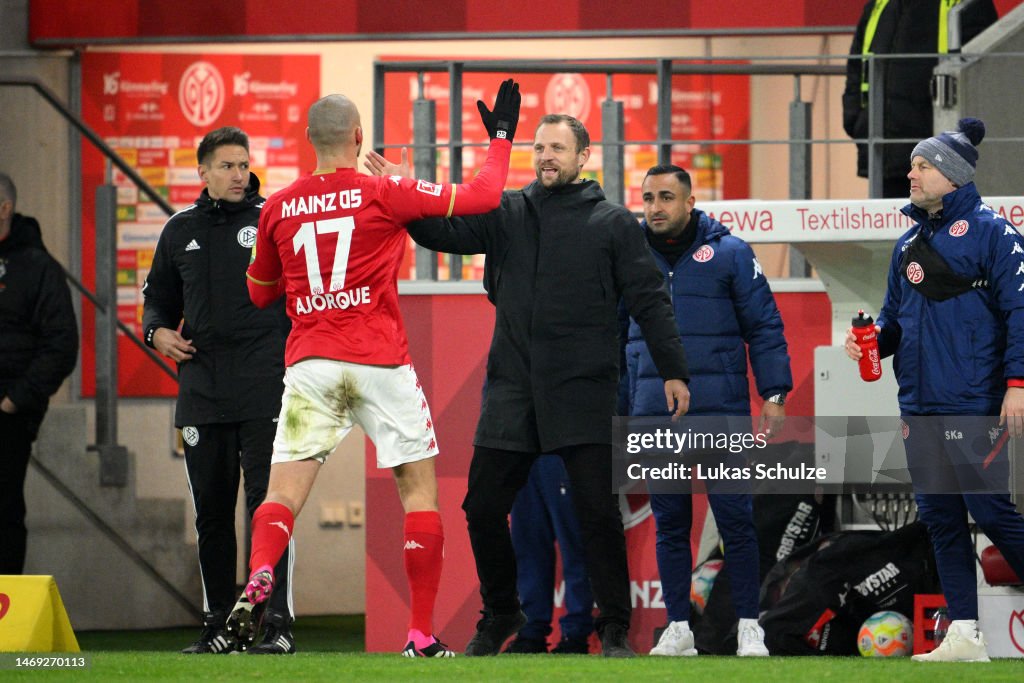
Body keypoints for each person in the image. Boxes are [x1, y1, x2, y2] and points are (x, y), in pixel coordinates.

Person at [373, 113, 691, 658]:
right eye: (539, 147)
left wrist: (673, 370)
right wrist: (402, 192)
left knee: (596, 514)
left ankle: (613, 628)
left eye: (558, 149)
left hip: (582, 389)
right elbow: (440, 232)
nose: (546, 156)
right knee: (480, 507)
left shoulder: (613, 223)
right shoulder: (506, 209)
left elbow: (649, 301)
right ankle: (502, 611)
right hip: (513, 388)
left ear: (583, 157)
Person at [228, 79, 521, 658]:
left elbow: (260, 294)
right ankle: (418, 634)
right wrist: (502, 139)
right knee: (417, 493)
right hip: (380, 361)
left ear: (310, 139)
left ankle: (260, 573)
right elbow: (487, 196)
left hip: (310, 363)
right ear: (358, 137)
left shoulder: (279, 207)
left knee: (282, 493)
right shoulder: (384, 192)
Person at [845, 117, 1024, 662]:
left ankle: (967, 630)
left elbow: (1020, 313)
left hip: (973, 399)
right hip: (918, 403)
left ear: (951, 175)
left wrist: (1017, 385)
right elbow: (894, 321)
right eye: (913, 164)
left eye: (922, 165)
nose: (912, 172)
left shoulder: (997, 233)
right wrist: (872, 342)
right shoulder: (908, 245)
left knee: (991, 511)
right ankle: (965, 634)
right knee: (941, 519)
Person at [621, 164, 790, 657]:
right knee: (671, 524)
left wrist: (775, 392)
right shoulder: (628, 258)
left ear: (690, 202)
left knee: (735, 521)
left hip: (722, 411)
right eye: (648, 198)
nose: (655, 207)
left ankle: (748, 626)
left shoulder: (732, 254)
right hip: (656, 415)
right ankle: (678, 628)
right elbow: (614, 337)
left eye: (666, 197)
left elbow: (764, 327)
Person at [142, 127, 296, 655]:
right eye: (227, 166)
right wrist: (157, 332)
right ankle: (215, 627)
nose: (238, 174)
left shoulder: (272, 219)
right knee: (211, 512)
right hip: (202, 390)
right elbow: (157, 304)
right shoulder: (178, 230)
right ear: (202, 172)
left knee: (267, 508)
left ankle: (274, 624)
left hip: (264, 386)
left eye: (243, 164)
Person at [0, 172, 78, 575]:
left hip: (10, 412)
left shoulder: (37, 266)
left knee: (4, 510)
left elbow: (62, 344)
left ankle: (4, 619)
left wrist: (14, 400)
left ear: (5, 209)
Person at [841, 0, 997, 198]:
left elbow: (983, 76)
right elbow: (857, 67)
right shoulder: (880, 4)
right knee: (892, 225)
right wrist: (855, 119)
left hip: (941, 157)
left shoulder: (964, 4)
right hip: (883, 152)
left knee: (941, 225)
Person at [503, 454, 594, 655]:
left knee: (574, 544)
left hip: (563, 447)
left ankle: (575, 634)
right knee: (528, 547)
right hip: (524, 451)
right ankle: (530, 632)